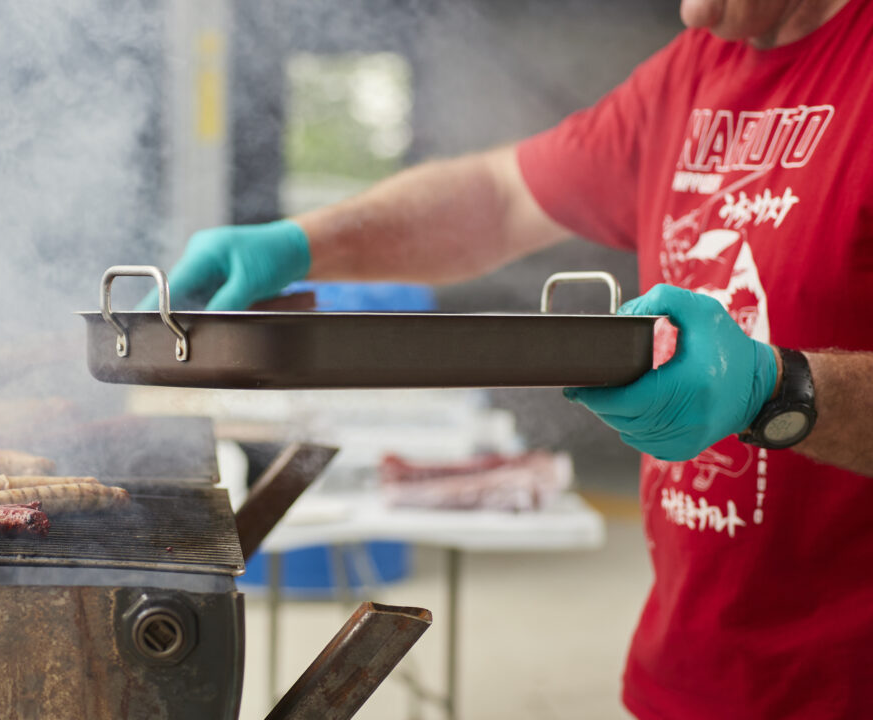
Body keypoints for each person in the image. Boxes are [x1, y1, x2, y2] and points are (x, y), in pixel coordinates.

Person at [153, 0, 873, 716]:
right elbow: (499, 198)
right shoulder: (695, 68)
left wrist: (777, 391)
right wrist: (305, 242)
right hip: (690, 676)